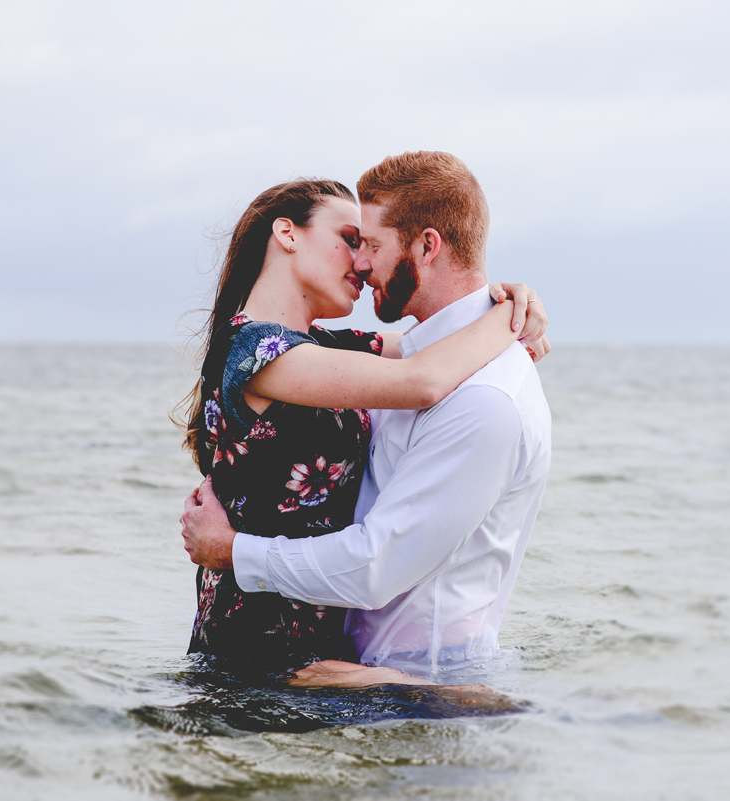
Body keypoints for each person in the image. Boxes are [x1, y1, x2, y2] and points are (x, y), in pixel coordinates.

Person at [182, 152, 552, 685]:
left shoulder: (326, 348)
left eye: (369, 244)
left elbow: (435, 342)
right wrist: (508, 320)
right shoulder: (254, 351)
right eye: (351, 239)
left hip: (320, 646)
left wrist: (520, 305)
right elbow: (423, 378)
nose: (360, 262)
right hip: (259, 643)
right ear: (287, 234)